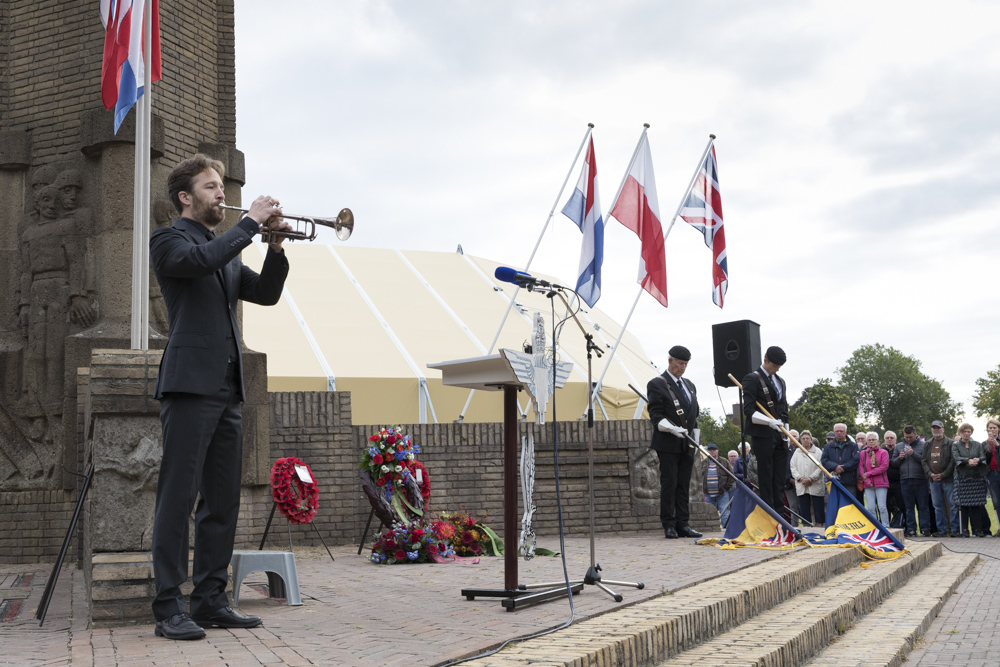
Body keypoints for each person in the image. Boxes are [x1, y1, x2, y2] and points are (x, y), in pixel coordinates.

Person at [149, 154, 292, 640]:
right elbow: (199, 262)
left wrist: (274, 247)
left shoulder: (224, 251)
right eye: (211, 187)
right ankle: (168, 606)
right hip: (188, 386)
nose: (220, 194)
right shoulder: (170, 240)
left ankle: (210, 599)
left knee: (222, 502)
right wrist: (250, 222)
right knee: (177, 498)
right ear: (186, 197)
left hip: (228, 391)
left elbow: (267, 294)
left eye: (220, 186)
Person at [647, 345, 702, 539]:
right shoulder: (657, 384)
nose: (683, 368)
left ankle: (683, 523)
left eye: (686, 364)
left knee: (684, 484)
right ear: (670, 361)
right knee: (669, 483)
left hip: (686, 443)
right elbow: (655, 416)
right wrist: (672, 429)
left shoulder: (690, 385)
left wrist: (695, 439)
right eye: (680, 363)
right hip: (668, 442)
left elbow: (695, 415)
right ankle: (669, 524)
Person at [741, 346, 789, 513]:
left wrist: (787, 432)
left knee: (779, 478)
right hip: (763, 435)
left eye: (779, 367)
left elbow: (784, 409)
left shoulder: (780, 381)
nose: (776, 370)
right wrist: (769, 422)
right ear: (765, 360)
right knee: (766, 476)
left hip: (780, 435)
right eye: (774, 366)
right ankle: (769, 514)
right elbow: (749, 410)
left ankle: (780, 514)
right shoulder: (751, 379)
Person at [891, 425, 931, 537]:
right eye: (906, 437)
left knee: (923, 506)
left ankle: (925, 528)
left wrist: (913, 454)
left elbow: (926, 461)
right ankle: (911, 529)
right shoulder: (899, 446)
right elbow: (894, 463)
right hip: (905, 480)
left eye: (911, 437)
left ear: (915, 434)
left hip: (920, 479)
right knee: (909, 507)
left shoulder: (924, 445)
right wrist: (900, 457)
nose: (908, 439)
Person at [952, 423, 990, 537]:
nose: (966, 433)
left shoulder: (977, 444)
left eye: (968, 431)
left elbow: (983, 456)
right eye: (964, 431)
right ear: (960, 433)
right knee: (963, 505)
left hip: (976, 477)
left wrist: (977, 459)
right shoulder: (955, 445)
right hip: (962, 477)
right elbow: (956, 457)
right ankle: (964, 530)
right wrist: (968, 460)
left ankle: (977, 530)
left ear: (971, 433)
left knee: (976, 505)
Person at [922, 420, 958, 537]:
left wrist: (943, 474)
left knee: (953, 505)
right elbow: (924, 461)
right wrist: (930, 474)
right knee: (937, 506)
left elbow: (953, 460)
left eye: (938, 428)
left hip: (948, 479)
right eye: (934, 428)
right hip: (933, 480)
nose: (936, 430)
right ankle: (942, 530)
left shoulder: (951, 443)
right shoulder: (927, 444)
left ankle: (955, 529)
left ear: (943, 429)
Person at [790, 430, 826, 527]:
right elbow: (792, 467)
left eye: (807, 438)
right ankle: (806, 528)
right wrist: (801, 479)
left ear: (811, 439)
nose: (805, 440)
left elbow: (820, 467)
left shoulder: (818, 452)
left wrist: (811, 478)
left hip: (815, 483)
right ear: (800, 440)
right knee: (804, 507)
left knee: (818, 507)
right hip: (801, 484)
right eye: (803, 438)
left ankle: (819, 527)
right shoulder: (796, 452)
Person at [821, 424, 860, 500]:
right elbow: (824, 460)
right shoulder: (828, 447)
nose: (839, 433)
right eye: (837, 431)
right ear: (834, 432)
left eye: (841, 431)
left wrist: (842, 468)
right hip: (833, 481)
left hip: (849, 482)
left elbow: (855, 460)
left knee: (850, 505)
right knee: (835, 506)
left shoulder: (853, 446)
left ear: (846, 432)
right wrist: (835, 467)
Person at [701, 443, 734, 529]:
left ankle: (726, 529)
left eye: (714, 450)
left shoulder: (724, 461)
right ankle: (709, 529)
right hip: (708, 493)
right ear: (707, 451)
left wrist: (726, 487)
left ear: (717, 451)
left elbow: (731, 476)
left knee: (725, 512)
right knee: (708, 513)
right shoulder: (703, 462)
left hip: (722, 493)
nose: (712, 452)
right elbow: (699, 476)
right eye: (710, 450)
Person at [859, 432, 889, 524]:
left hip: (881, 483)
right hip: (868, 484)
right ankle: (875, 527)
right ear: (867, 442)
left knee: (882, 507)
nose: (871, 442)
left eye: (873, 440)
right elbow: (861, 468)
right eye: (869, 440)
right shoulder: (863, 453)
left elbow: (884, 467)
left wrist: (868, 474)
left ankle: (886, 527)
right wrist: (867, 481)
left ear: (878, 441)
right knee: (871, 508)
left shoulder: (884, 452)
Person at [883, 431, 904, 528]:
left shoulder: (900, 449)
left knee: (900, 505)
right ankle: (887, 526)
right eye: (887, 438)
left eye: (891, 438)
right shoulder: (882, 451)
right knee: (886, 506)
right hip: (884, 482)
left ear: (895, 439)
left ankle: (901, 525)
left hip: (898, 482)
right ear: (884, 440)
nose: (889, 439)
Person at [983, 418, 1000, 536]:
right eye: (990, 428)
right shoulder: (984, 443)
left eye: (994, 427)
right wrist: (989, 449)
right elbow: (984, 459)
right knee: (996, 502)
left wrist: (997, 445)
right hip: (992, 474)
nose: (992, 430)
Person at [784, 430, 800, 524]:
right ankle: (795, 527)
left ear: (798, 438)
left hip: (802, 482)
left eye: (795, 436)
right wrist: (790, 479)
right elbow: (782, 468)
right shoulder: (785, 451)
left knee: (803, 507)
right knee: (793, 506)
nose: (793, 438)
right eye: (791, 436)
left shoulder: (802, 450)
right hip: (789, 484)